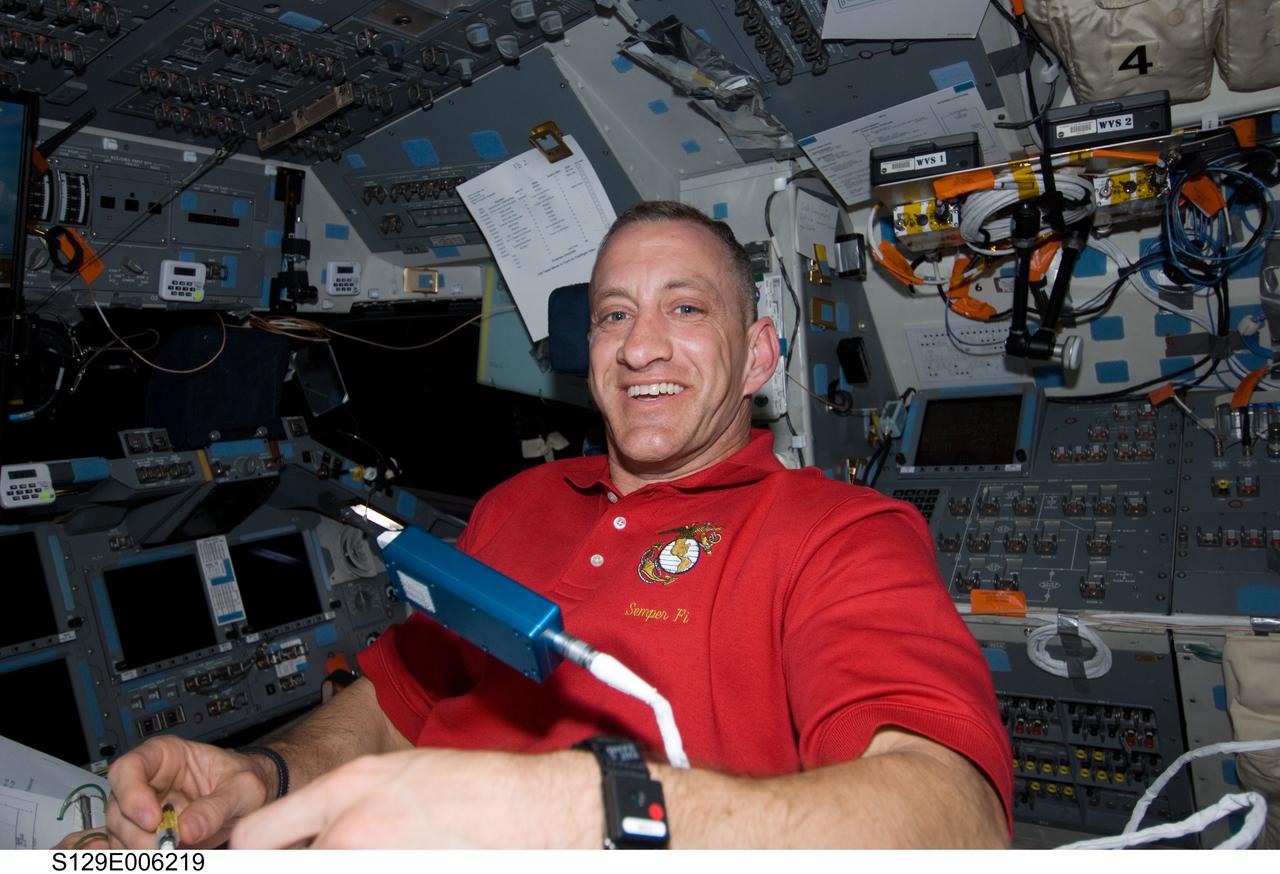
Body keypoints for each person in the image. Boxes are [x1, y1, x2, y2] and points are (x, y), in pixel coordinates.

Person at [84, 201, 1012, 849]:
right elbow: (398, 706)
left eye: (686, 309)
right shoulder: (513, 505)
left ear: (757, 356)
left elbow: (952, 819)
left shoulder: (840, 534)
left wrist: (587, 813)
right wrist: (269, 775)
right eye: (615, 315)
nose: (642, 344)